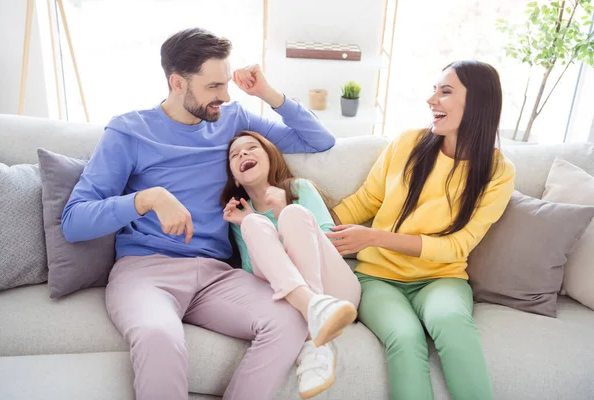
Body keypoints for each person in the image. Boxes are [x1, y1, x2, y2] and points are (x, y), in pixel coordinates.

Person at [61, 27, 336, 400]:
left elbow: (318, 141)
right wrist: (147, 199)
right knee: (159, 336)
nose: (224, 96)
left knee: (290, 319)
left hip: (216, 276)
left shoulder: (232, 118)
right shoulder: (129, 131)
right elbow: (74, 221)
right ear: (178, 82)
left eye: (226, 85)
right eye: (213, 87)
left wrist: (267, 94)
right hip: (145, 273)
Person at [326, 60, 516, 400]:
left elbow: (458, 246)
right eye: (434, 90)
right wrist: (315, 224)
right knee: (405, 335)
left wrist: (372, 237)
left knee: (453, 325)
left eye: (445, 92)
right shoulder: (408, 143)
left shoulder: (498, 171)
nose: (432, 100)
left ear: (478, 103)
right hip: (377, 277)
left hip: (441, 278)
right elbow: (366, 200)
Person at [220, 130, 361, 399]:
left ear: (270, 157)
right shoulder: (242, 214)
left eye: (251, 148)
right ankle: (314, 335)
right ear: (235, 178)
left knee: (294, 214)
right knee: (253, 222)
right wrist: (246, 222)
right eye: (235, 155)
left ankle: (316, 312)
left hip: (337, 292)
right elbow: (256, 276)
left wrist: (282, 212)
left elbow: (329, 245)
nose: (243, 154)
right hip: (290, 303)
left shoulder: (298, 189)